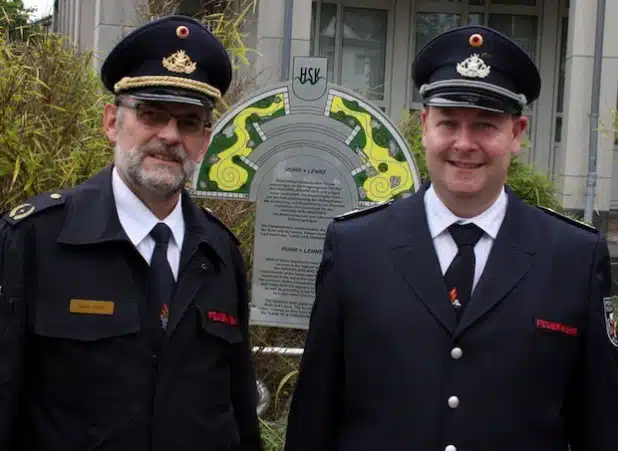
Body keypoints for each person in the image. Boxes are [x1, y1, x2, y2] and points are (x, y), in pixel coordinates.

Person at [284, 25, 618, 451]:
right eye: (449, 123)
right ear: (425, 126)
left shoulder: (573, 256)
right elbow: (315, 414)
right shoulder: (356, 247)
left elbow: (601, 423)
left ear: (517, 134)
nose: (464, 143)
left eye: (485, 125)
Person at [0, 15, 263, 451]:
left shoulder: (218, 253)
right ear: (110, 122)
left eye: (189, 122)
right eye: (151, 114)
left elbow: (236, 410)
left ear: (205, 138)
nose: (169, 135)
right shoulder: (35, 240)